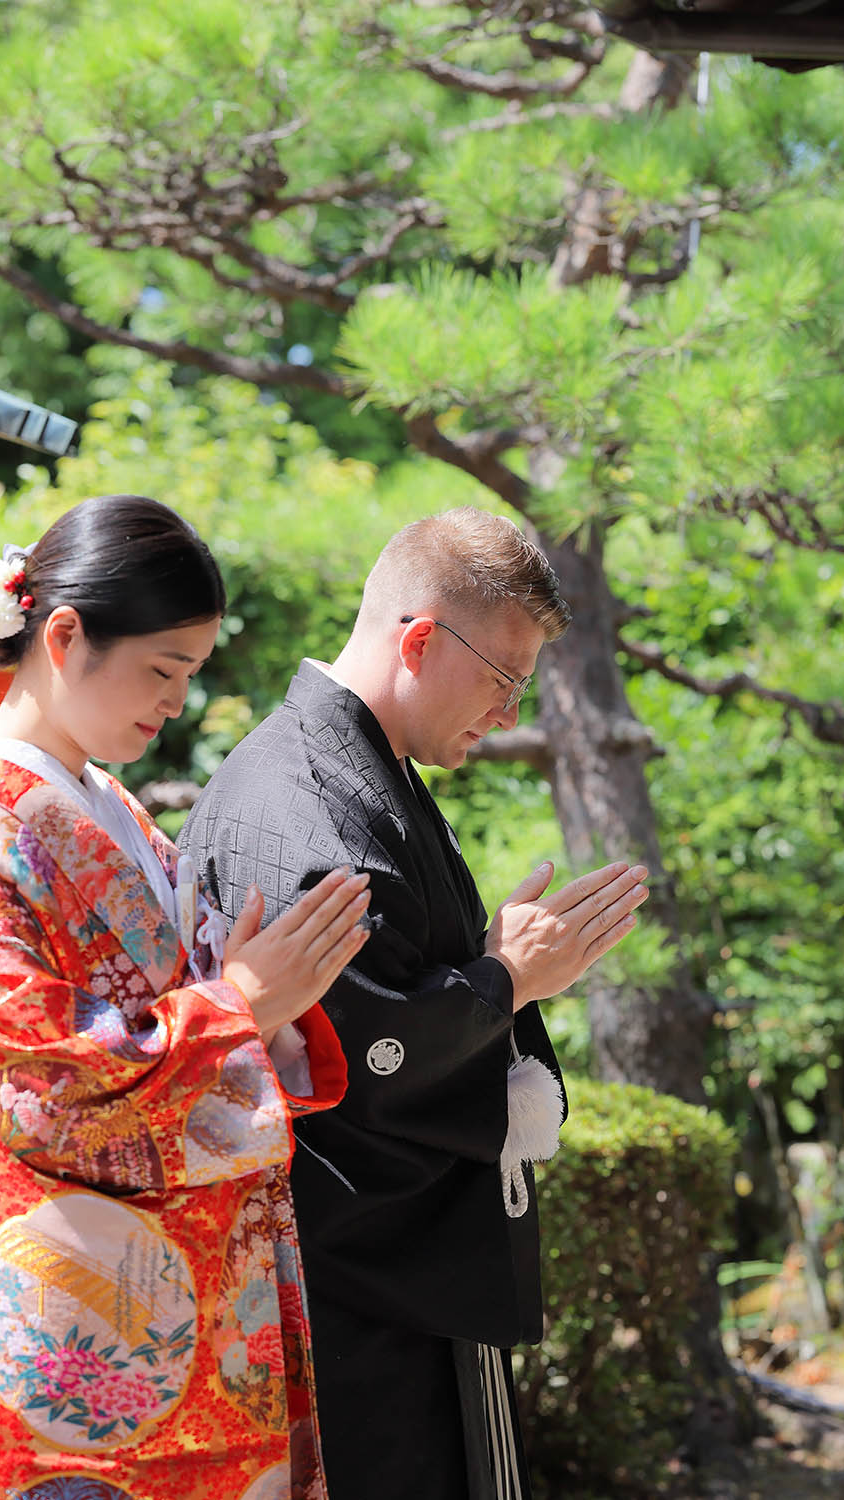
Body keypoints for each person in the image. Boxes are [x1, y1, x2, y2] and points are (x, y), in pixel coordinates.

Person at [0, 494, 371, 1500]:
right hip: (59, 1299)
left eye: (187, 675)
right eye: (163, 670)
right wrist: (236, 1003)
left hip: (183, 1280)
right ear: (63, 636)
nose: (176, 702)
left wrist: (246, 997)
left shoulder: (111, 807)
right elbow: (30, 1080)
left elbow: (183, 1015)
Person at [178, 506, 651, 1500]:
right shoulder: (304, 804)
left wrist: (497, 970)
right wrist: (506, 981)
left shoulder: (350, 768)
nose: (511, 713)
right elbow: (363, 1054)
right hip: (352, 1290)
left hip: (382, 1284)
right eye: (504, 680)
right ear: (422, 639)